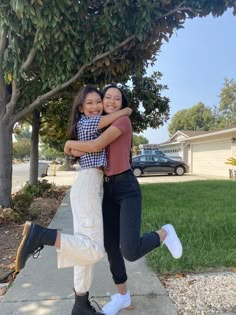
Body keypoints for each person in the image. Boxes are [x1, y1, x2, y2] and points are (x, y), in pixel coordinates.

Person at [64, 84, 183, 315]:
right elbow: (84, 148)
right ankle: (123, 296)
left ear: (122, 103)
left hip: (126, 187)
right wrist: (71, 148)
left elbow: (95, 146)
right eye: (106, 97)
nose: (109, 102)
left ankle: (165, 233)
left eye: (116, 99)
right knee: (110, 247)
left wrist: (68, 144)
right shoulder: (97, 125)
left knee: (129, 249)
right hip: (107, 190)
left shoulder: (121, 122)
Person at [15, 85, 132, 315]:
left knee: (82, 248)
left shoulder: (96, 124)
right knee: (94, 250)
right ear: (80, 107)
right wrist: (125, 111)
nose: (96, 106)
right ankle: (43, 236)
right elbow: (96, 142)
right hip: (88, 185)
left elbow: (80, 147)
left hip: (89, 185)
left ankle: (80, 304)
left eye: (98, 102)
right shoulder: (88, 123)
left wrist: (69, 146)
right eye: (89, 103)